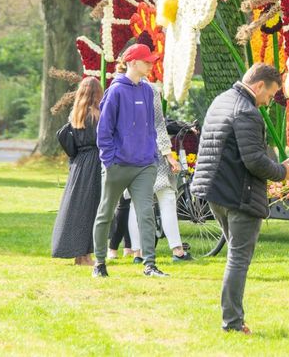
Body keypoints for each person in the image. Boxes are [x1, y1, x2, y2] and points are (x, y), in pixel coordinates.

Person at [190, 63, 289, 334]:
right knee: (238, 259)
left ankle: (232, 319)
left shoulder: (221, 100)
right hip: (239, 193)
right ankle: (233, 323)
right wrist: (283, 172)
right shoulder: (248, 111)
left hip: (215, 192)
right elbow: (254, 161)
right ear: (259, 85)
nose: (268, 102)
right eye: (270, 95)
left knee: (234, 257)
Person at [91, 43, 179, 278]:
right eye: (146, 60)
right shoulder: (116, 91)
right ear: (132, 62)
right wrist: (109, 161)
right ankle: (99, 263)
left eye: (151, 60)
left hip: (144, 165)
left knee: (146, 214)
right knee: (106, 213)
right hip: (117, 165)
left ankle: (149, 264)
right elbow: (104, 130)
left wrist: (152, 156)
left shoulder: (149, 90)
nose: (151, 64)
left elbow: (152, 126)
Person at [127, 82, 192, 262]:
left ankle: (137, 253)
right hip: (152, 153)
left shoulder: (118, 89)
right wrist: (169, 156)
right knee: (167, 199)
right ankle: (177, 250)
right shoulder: (151, 90)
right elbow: (159, 126)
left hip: (131, 154)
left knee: (135, 204)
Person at [51, 77, 104, 265]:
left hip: (79, 163)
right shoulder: (98, 114)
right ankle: (86, 255)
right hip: (95, 162)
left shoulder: (75, 114)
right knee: (92, 208)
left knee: (76, 207)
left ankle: (78, 254)